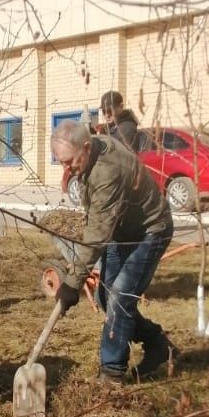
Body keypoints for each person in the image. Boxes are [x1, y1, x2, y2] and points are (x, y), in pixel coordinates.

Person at [50, 118, 175, 384]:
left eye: (69, 161)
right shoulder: (91, 153)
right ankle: (158, 343)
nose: (67, 169)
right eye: (60, 161)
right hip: (122, 230)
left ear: (86, 146)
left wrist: (72, 283)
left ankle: (112, 372)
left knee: (120, 297)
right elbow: (97, 220)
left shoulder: (107, 170)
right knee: (106, 298)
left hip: (150, 230)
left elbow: (96, 235)